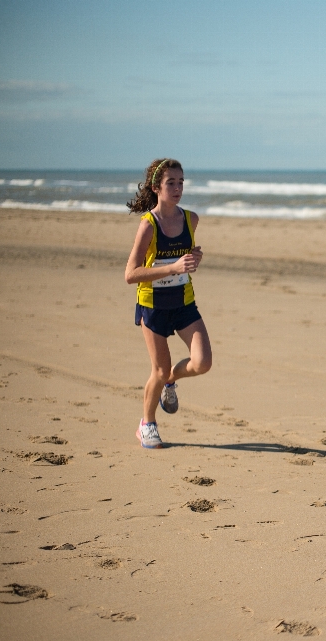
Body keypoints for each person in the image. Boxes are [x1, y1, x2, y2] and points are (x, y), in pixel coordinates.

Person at [124, 159, 212, 448]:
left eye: (181, 182)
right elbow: (131, 274)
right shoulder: (149, 225)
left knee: (202, 363)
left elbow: (186, 257)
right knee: (158, 371)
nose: (177, 188)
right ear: (156, 188)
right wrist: (173, 267)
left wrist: (193, 259)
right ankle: (146, 423)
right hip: (153, 306)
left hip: (184, 302)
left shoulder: (191, 219)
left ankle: (170, 382)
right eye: (171, 183)